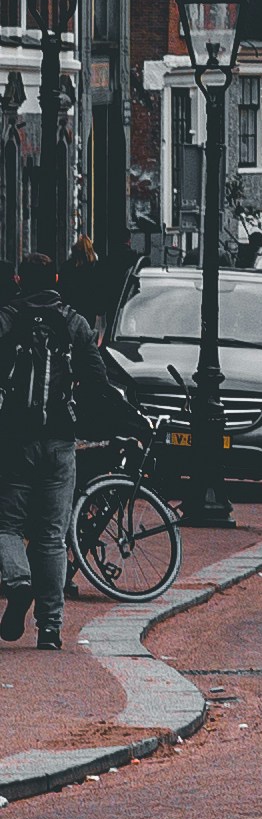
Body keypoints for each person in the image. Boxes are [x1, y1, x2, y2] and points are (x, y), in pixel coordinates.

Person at [1, 248, 129, 648]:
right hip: (60, 440)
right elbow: (97, 379)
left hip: (14, 440)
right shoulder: (74, 323)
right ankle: (51, 628)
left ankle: (18, 581)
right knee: (52, 536)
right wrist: (123, 418)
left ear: (19, 280)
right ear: (56, 281)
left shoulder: (7, 319)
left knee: (6, 525)